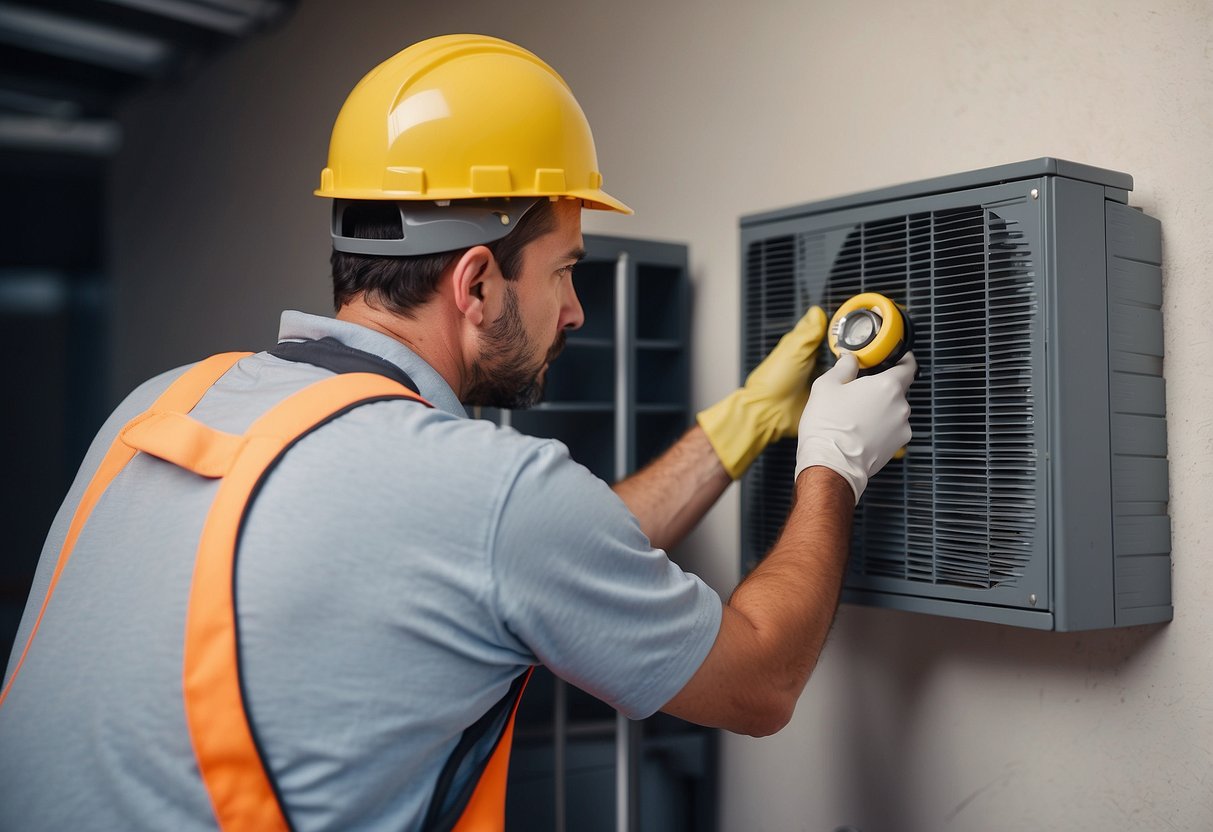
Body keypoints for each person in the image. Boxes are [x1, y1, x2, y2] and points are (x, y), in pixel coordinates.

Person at [0, 34, 914, 832]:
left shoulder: (162, 403)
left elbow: (545, 553)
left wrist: (744, 420)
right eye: (564, 272)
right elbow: (759, 683)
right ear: (476, 284)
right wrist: (832, 459)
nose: (577, 311)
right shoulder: (483, 492)